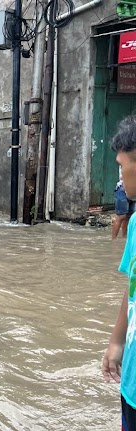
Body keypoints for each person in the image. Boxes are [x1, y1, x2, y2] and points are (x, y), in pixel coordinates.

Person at [103, 115, 136, 430]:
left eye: (121, 165)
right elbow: (133, 286)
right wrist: (116, 342)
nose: (120, 175)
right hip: (132, 382)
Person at [112, 167, 135, 240]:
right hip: (123, 190)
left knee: (128, 216)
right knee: (121, 216)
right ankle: (113, 240)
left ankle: (124, 237)